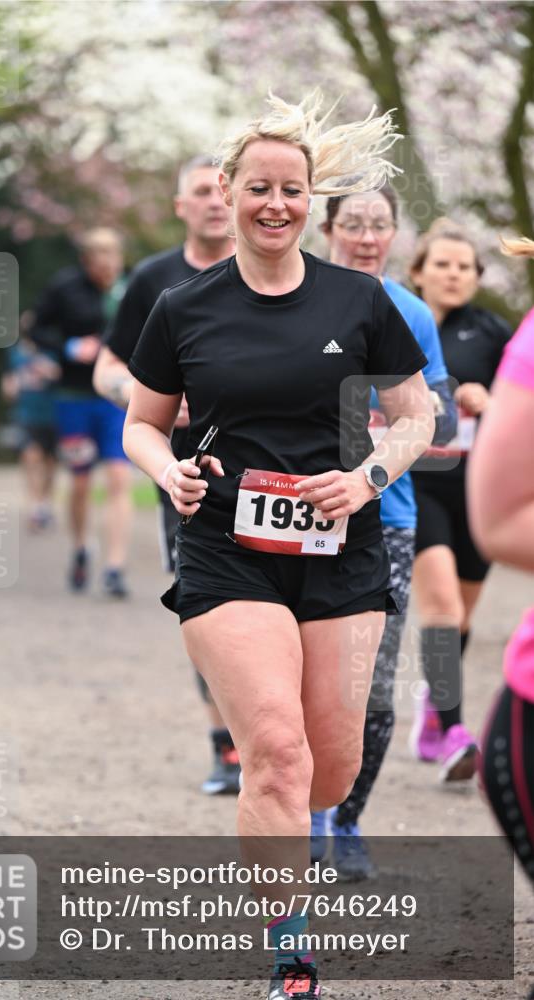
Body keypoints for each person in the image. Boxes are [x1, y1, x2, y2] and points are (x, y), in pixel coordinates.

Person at [123, 90, 435, 1000]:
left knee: (329, 766)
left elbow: (416, 417)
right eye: (255, 187)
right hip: (227, 549)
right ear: (226, 191)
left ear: (310, 198)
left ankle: (295, 836)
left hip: (343, 547)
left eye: (290, 191)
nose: (273, 205)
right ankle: (290, 955)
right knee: (276, 748)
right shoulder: (184, 308)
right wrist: (164, 470)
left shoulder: (360, 299)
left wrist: (369, 475)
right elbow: (141, 426)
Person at [311, 183, 457, 878]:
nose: (366, 237)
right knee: (294, 682)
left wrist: (384, 424)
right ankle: (298, 813)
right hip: (293, 517)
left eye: (380, 225)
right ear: (327, 227)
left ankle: (344, 818)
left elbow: (445, 418)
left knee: (369, 692)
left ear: (395, 234)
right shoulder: (289, 297)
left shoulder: (410, 312)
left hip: (385, 521)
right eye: (354, 224)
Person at [94, 155, 241, 795]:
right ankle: (224, 742)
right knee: (204, 604)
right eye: (200, 192)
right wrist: (146, 394)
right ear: (180, 205)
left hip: (273, 472)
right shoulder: (154, 280)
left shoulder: (272, 276)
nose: (214, 202)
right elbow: (106, 366)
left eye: (221, 191)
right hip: (180, 472)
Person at [408, 218, 512, 782]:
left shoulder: (494, 333)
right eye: (441, 264)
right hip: (415, 485)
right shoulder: (396, 322)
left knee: (460, 619)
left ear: (476, 277)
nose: (453, 274)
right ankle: (453, 729)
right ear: (418, 271)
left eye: (464, 266)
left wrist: (488, 399)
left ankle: (432, 705)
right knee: (443, 608)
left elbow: (519, 409)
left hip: (476, 491)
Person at [469, 237, 534, 940]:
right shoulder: (390, 310)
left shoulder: (482, 327)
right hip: (406, 504)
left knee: (451, 616)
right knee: (433, 615)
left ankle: (438, 703)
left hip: (384, 495)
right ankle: (441, 704)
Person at [30, 227, 132, 596]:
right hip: (73, 397)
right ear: (86, 262)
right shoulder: (64, 287)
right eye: (100, 263)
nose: (108, 270)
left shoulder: (132, 285)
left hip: (117, 398)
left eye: (114, 261)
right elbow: (37, 328)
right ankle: (79, 549)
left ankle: (115, 567)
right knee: (81, 480)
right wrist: (68, 347)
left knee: (120, 477)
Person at [3, 317, 61, 532]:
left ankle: (46, 502)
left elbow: (63, 376)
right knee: (31, 456)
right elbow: (8, 383)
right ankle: (35, 505)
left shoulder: (53, 350)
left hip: (52, 413)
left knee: (51, 462)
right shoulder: (15, 354)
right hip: (26, 415)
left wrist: (51, 372)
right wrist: (10, 388)